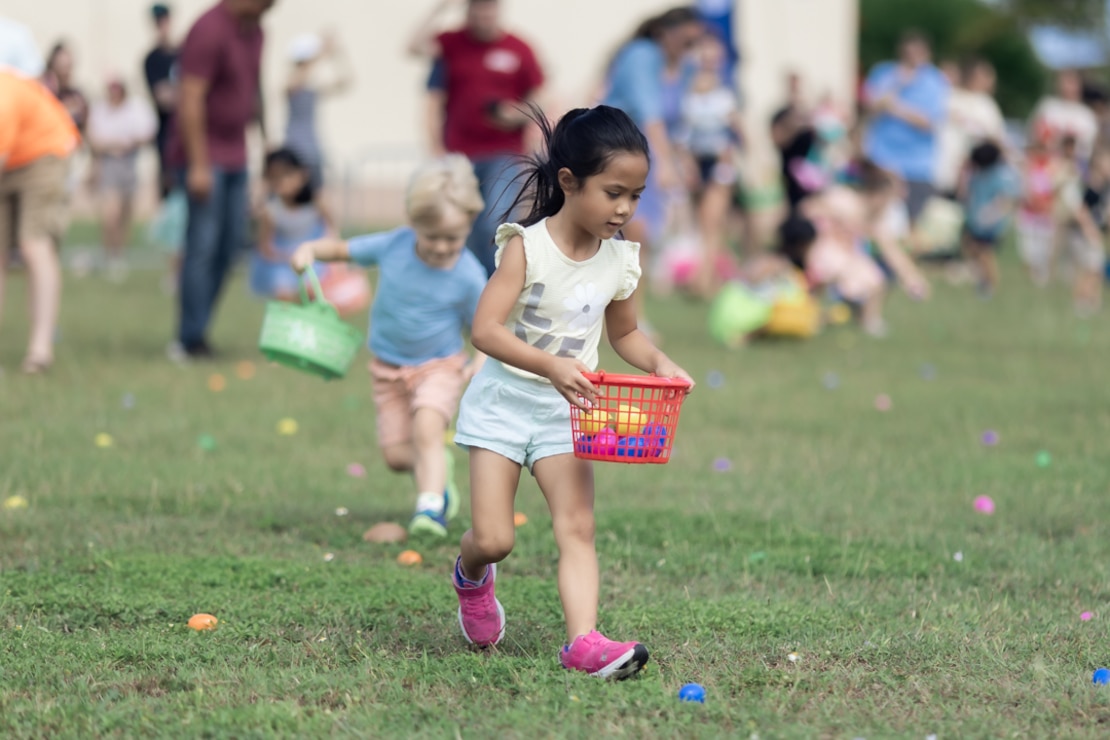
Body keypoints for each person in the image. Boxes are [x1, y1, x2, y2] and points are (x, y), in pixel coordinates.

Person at [448, 105, 693, 678]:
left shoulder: (621, 259)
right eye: (614, 193)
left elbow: (625, 333)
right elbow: (485, 330)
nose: (626, 209)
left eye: (635, 195)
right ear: (568, 182)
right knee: (494, 537)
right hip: (504, 407)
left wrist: (661, 364)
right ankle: (470, 576)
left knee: (577, 526)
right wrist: (551, 365)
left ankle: (584, 642)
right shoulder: (526, 248)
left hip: (570, 414)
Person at [290, 155, 488, 536]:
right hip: (387, 367)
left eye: (454, 238)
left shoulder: (468, 275)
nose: (443, 247)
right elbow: (344, 251)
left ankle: (430, 511)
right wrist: (311, 251)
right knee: (397, 457)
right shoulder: (393, 245)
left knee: (428, 428)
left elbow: (486, 326)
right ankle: (436, 472)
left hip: (439, 366)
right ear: (413, 224)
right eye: (433, 237)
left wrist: (480, 359)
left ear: (468, 227)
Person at [166, 0, 274, 360]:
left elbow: (255, 89)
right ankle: (189, 338)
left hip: (236, 154)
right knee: (203, 245)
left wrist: (266, 142)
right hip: (204, 155)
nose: (272, 7)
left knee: (230, 247)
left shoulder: (256, 30)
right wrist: (198, 164)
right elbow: (190, 97)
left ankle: (199, 328)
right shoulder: (209, 29)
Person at [408, 0, 545, 277]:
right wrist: (440, 8)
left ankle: (495, 281)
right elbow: (412, 46)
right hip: (459, 152)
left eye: (489, 7)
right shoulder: (451, 43)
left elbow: (540, 98)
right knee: (461, 224)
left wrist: (514, 115)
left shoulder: (519, 48)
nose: (484, 14)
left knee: (495, 221)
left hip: (504, 153)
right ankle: (474, 284)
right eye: (477, 7)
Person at [0, 70, 81, 374]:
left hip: (45, 152)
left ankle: (40, 350)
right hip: (10, 157)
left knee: (33, 243)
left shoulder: (2, 100)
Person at [676, 33, 744, 297]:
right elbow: (682, 134)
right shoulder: (686, 90)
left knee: (711, 222)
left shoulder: (727, 91)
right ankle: (713, 278)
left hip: (719, 162)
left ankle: (703, 281)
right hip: (696, 161)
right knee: (703, 223)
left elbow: (737, 128)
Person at [861, 30, 949, 226]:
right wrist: (897, 85)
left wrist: (895, 106)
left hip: (916, 165)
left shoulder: (936, 81)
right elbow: (869, 106)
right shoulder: (883, 73)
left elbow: (929, 122)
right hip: (881, 159)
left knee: (909, 223)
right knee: (873, 218)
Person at [85, 77, 158, 280]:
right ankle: (110, 255)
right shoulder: (100, 110)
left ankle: (119, 254)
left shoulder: (136, 108)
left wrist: (129, 142)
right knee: (111, 214)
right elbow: (94, 139)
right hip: (108, 164)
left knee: (125, 213)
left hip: (130, 163)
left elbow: (148, 132)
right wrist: (112, 145)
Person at [249, 148, 336, 301]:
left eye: (287, 174)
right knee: (284, 296)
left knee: (313, 293)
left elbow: (331, 229)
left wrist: (325, 249)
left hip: (313, 259)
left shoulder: (316, 203)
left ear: (302, 174)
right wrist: (287, 256)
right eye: (274, 177)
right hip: (283, 263)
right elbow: (265, 247)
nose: (282, 181)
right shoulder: (270, 212)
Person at [283, 31, 353, 189]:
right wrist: (321, 54)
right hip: (294, 150)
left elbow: (347, 81)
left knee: (316, 194)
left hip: (312, 150)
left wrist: (337, 54)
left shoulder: (312, 89)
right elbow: (295, 82)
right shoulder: (291, 83)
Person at [935, 59, 1006, 200]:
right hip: (939, 166)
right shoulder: (948, 95)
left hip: (967, 176)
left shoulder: (987, 105)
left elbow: (997, 139)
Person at [962, 140, 1020, 297]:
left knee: (986, 254)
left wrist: (991, 215)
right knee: (975, 252)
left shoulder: (1002, 175)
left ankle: (990, 286)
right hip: (976, 221)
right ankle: (982, 282)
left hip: (992, 224)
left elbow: (1006, 200)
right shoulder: (979, 173)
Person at [1062, 146, 1110, 314]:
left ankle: (1092, 302)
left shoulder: (1104, 186)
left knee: (1096, 270)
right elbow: (1081, 211)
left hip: (1093, 233)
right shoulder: (1092, 186)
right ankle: (1081, 303)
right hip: (1085, 235)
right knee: (1091, 269)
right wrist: (1090, 230)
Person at [143, 4, 179, 199]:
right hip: (166, 133)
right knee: (168, 185)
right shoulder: (151, 59)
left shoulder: (182, 53)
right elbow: (163, 99)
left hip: (185, 129)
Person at [1030, 69, 1098, 165]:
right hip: (1048, 164)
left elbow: (1088, 146)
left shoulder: (1087, 115)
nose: (1066, 86)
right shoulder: (1047, 107)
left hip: (1076, 166)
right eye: (1064, 81)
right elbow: (1035, 135)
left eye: (1071, 82)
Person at [42, 41, 89, 132]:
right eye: (62, 66)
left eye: (68, 67)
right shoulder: (43, 92)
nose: (66, 72)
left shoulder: (76, 96)